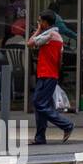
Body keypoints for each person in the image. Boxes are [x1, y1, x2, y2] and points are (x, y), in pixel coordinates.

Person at [29, 10, 73, 144]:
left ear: (45, 22)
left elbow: (30, 43)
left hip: (47, 75)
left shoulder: (49, 34)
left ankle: (66, 125)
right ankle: (40, 137)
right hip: (49, 74)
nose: (39, 23)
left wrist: (37, 31)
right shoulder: (57, 35)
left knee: (39, 103)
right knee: (41, 105)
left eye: (40, 21)